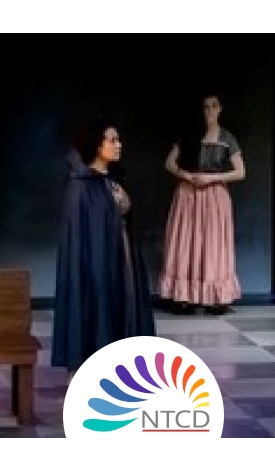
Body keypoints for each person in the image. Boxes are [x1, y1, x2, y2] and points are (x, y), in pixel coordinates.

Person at [51, 117, 155, 374]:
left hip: (122, 256)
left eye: (118, 140)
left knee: (124, 305)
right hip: (95, 264)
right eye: (112, 140)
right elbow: (80, 235)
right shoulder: (80, 185)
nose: (119, 145)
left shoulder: (113, 180)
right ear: (97, 145)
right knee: (96, 306)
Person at [158, 94, 246, 315]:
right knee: (186, 242)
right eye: (206, 106)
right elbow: (169, 163)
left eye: (214, 106)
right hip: (188, 194)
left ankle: (214, 296)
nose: (209, 110)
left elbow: (240, 172)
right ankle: (185, 295)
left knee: (212, 244)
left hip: (214, 196)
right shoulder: (189, 135)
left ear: (220, 109)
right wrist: (187, 175)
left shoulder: (226, 138)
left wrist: (211, 178)